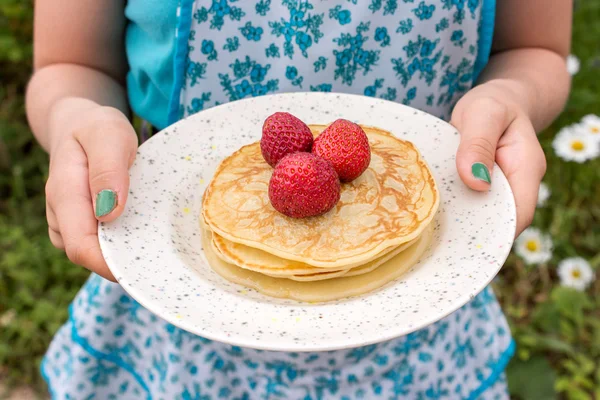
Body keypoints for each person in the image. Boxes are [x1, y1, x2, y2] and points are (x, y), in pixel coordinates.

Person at [26, 0, 571, 398]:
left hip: (425, 306)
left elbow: (535, 49)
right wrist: (75, 116)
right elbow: (71, 67)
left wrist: (509, 96)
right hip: (178, 297)